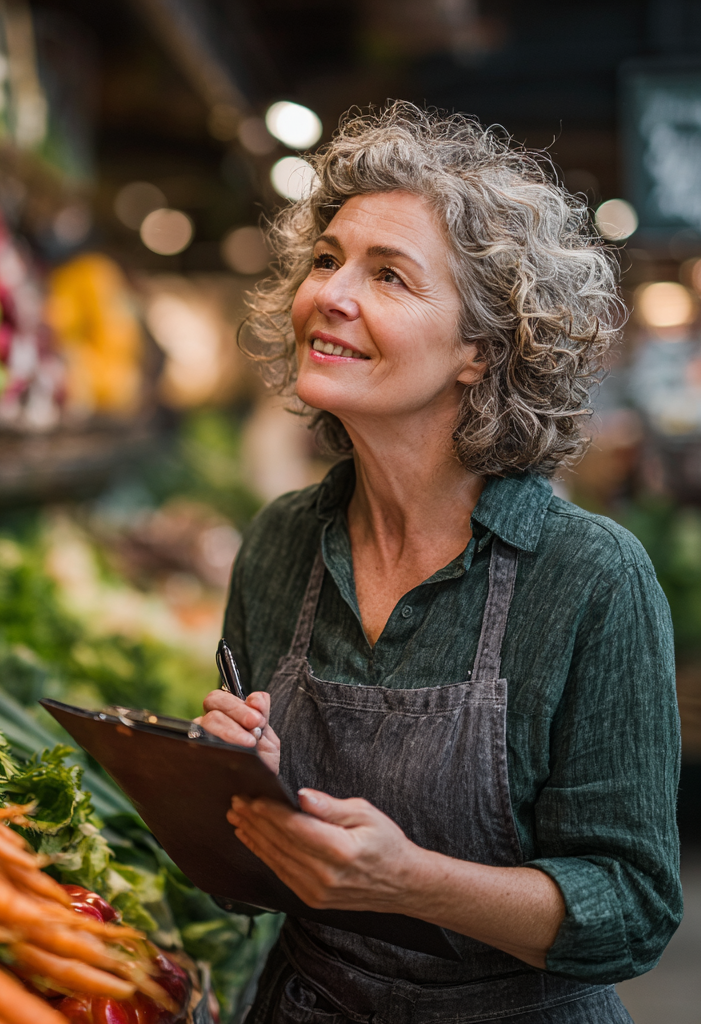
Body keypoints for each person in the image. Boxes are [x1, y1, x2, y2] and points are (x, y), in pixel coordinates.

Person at [197, 103, 682, 1023]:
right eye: (327, 260)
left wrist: (412, 881)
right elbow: (240, 891)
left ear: (481, 349)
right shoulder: (281, 543)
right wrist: (231, 794)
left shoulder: (590, 577)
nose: (332, 293)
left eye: (388, 275)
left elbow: (632, 910)